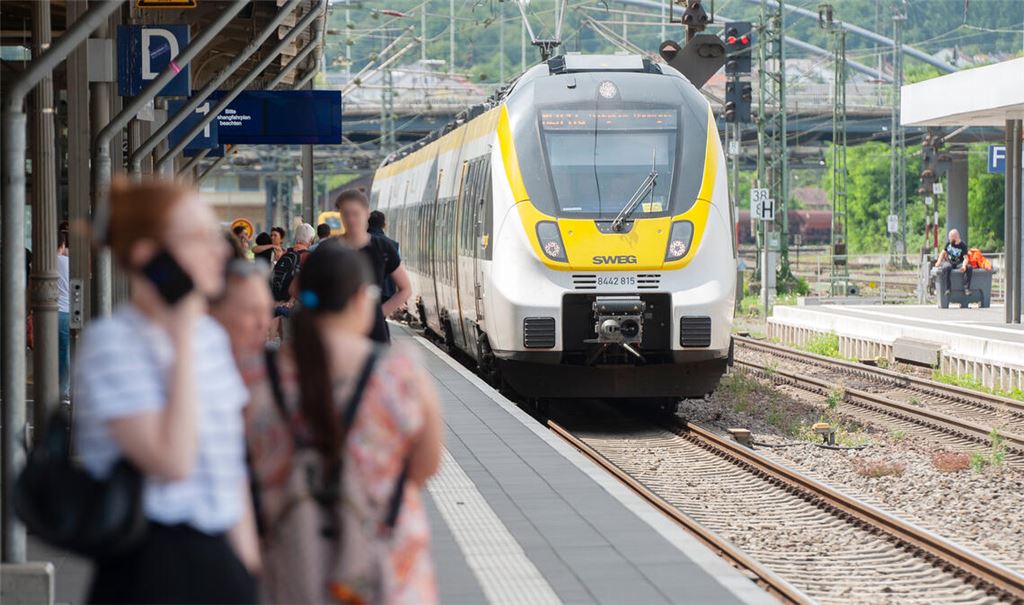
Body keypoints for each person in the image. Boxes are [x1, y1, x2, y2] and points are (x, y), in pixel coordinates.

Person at [73, 178, 259, 604]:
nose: (219, 251)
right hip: (151, 568)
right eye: (199, 238)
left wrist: (250, 567)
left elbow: (230, 471)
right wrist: (179, 336)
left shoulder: (208, 336)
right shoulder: (112, 345)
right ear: (149, 256)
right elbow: (172, 460)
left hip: (221, 558)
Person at [245, 240, 441, 604]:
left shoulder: (258, 382)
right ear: (360, 300)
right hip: (388, 577)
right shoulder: (400, 375)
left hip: (291, 573)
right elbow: (425, 467)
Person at [336, 190, 412, 343]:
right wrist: (321, 310)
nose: (351, 219)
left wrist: (379, 313)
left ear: (366, 213)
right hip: (340, 332)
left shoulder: (382, 248)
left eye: (356, 213)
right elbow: (306, 291)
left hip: (375, 333)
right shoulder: (329, 250)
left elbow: (406, 289)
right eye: (346, 214)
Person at [210, 259, 274, 384]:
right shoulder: (194, 370)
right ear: (215, 313)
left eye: (267, 310)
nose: (263, 323)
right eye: (251, 311)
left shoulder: (274, 371)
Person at [368, 210, 399, 302]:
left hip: (364, 293)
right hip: (386, 291)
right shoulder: (393, 245)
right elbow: (397, 268)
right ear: (384, 225)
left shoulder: (358, 242)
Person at [936, 228, 972, 296]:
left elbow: (965, 258)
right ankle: (948, 289)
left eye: (951, 238)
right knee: (946, 267)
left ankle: (966, 289)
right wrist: (938, 262)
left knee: (969, 267)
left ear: (956, 237)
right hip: (949, 262)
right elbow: (942, 253)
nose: (950, 240)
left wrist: (964, 266)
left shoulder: (963, 245)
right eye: (950, 238)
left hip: (959, 263)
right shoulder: (949, 244)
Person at [57, 228, 71, 401]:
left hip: (46, 313)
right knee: (65, 353)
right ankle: (64, 391)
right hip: (66, 312)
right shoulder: (70, 263)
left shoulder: (40, 262)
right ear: (62, 244)